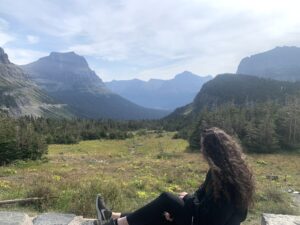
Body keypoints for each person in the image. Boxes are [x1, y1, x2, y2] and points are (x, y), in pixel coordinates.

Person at [95, 127, 255, 225]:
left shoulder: (228, 182)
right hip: (200, 219)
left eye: (203, 149)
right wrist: (186, 204)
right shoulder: (220, 172)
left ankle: (114, 224)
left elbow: (213, 220)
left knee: (166, 199)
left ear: (212, 152)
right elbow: (201, 196)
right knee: (162, 212)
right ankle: (111, 216)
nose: (201, 152)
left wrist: (187, 201)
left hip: (203, 223)